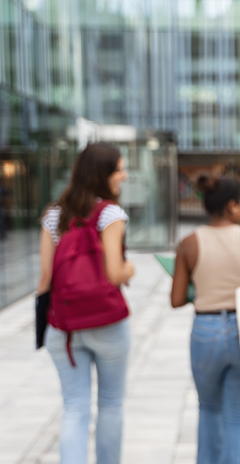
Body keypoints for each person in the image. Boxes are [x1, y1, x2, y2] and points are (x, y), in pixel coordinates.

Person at [38, 142, 134, 464]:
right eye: (120, 169)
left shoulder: (53, 215)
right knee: (110, 404)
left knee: (75, 408)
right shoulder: (110, 213)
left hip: (64, 328)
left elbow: (45, 279)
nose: (124, 175)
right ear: (103, 173)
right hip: (107, 325)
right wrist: (131, 268)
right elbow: (114, 272)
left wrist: (44, 322)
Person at [171, 175, 240, 464]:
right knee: (238, 421)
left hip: (204, 330)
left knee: (208, 409)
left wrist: (203, 288)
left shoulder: (189, 243)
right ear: (233, 206)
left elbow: (176, 299)